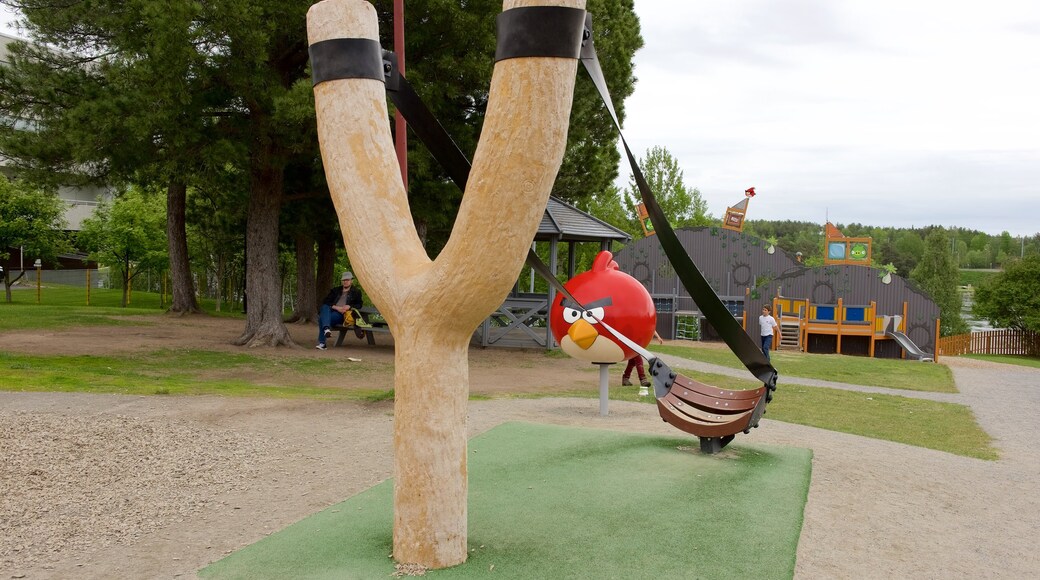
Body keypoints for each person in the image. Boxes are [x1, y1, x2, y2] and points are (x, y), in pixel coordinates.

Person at [316, 271, 365, 350]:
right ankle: (326, 329)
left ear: (351, 281)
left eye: (347, 280)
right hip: (333, 310)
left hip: (342, 315)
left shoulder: (356, 292)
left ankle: (322, 342)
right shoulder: (336, 290)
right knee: (325, 306)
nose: (345, 282)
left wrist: (349, 306)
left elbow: (359, 304)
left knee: (321, 318)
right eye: (344, 280)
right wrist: (336, 307)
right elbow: (326, 301)